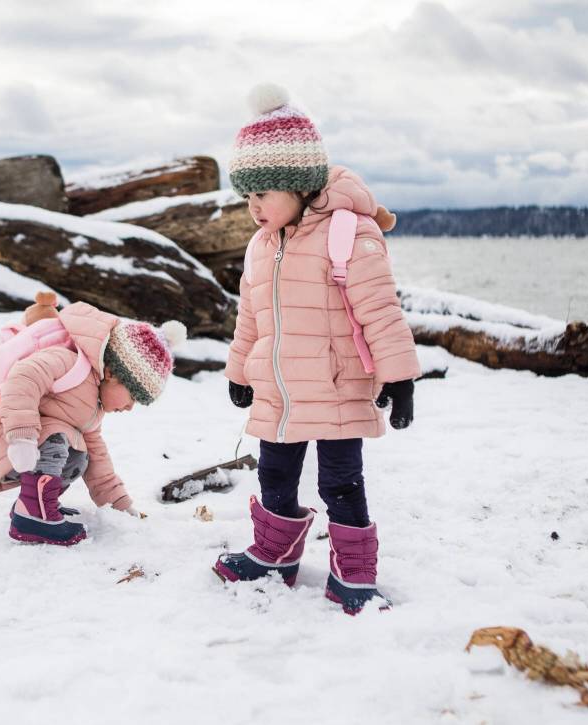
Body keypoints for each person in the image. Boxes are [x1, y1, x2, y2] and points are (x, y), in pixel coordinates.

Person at [213, 84, 421, 614]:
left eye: (264, 194)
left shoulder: (349, 233)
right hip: (279, 392)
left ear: (299, 185)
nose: (254, 207)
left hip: (336, 388)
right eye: (248, 196)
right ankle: (274, 552)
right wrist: (239, 370)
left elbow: (380, 308)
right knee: (273, 475)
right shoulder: (261, 246)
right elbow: (251, 317)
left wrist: (399, 377)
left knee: (341, 484)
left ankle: (355, 571)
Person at [0, 292, 185, 545]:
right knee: (58, 437)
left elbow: (100, 464)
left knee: (83, 454)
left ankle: (35, 504)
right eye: (133, 397)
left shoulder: (92, 409)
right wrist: (22, 438)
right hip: (0, 431)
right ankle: (34, 515)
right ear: (113, 374)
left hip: (24, 441)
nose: (130, 408)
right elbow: (23, 378)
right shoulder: (69, 362)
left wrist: (121, 507)